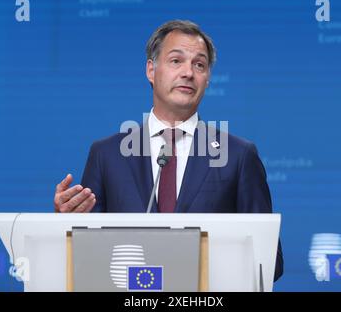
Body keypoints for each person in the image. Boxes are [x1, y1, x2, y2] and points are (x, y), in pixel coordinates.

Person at [53, 20, 283, 281]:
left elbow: (270, 262)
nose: (188, 72)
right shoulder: (107, 155)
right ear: (151, 70)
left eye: (199, 64)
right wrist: (65, 224)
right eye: (176, 61)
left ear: (207, 79)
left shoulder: (238, 156)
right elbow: (84, 259)